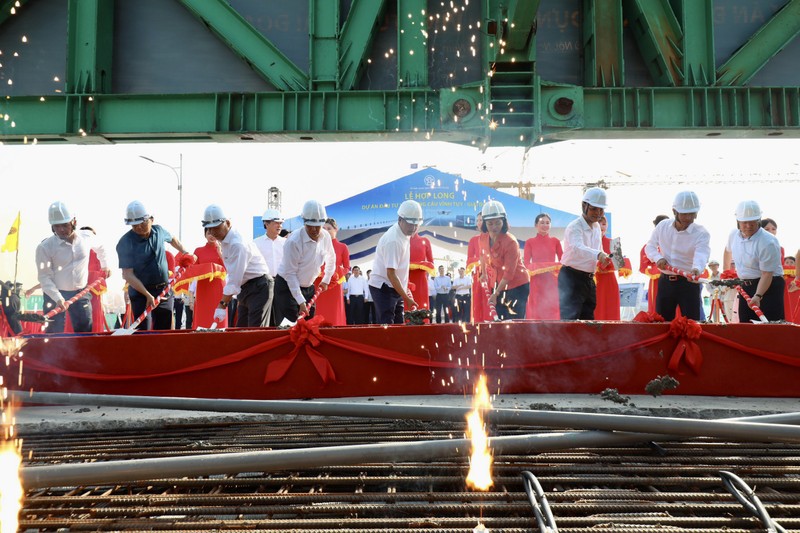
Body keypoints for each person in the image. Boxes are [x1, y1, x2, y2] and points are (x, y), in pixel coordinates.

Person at [35, 201, 109, 333]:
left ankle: (85, 353)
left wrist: (105, 265)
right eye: (57, 226)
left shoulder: (87, 237)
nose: (61, 230)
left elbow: (101, 248)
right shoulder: (44, 248)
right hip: (53, 296)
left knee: (85, 331)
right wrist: (58, 298)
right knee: (53, 335)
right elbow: (44, 278)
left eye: (65, 225)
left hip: (80, 293)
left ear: (74, 222)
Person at [117, 200, 192, 331]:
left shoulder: (159, 231)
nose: (139, 228)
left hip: (163, 290)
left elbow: (173, 239)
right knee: (143, 330)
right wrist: (147, 295)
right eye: (134, 225)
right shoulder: (125, 242)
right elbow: (127, 274)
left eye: (142, 223)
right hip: (140, 293)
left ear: (151, 219)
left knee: (164, 328)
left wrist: (185, 252)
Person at [202, 205, 272, 327]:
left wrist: (222, 305)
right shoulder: (225, 242)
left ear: (227, 223)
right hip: (245, 288)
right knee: (241, 329)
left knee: (255, 331)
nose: (213, 232)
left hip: (259, 286)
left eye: (216, 228)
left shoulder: (237, 244)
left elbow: (234, 280)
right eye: (209, 229)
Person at [644, 191, 710, 321]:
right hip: (665, 283)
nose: (688, 218)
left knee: (691, 325)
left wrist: (697, 269)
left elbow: (701, 254)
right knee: (662, 323)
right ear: (674, 211)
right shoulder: (663, 226)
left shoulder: (701, 233)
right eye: (685, 214)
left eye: (692, 214)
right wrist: (658, 258)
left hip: (689, 284)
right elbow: (650, 247)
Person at [275, 200, 336, 323]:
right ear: (304, 223)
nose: (314, 230)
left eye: (317, 226)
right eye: (310, 226)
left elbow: (331, 258)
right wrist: (300, 300)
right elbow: (290, 274)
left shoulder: (326, 237)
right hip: (287, 287)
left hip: (309, 287)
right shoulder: (294, 241)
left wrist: (326, 280)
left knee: (309, 325)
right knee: (291, 325)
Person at [725, 200, 784, 321]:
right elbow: (727, 250)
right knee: (746, 326)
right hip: (746, 285)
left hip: (769, 286)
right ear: (738, 222)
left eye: (752, 222)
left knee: (770, 327)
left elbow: (767, 274)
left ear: (759, 220)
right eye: (744, 222)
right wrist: (726, 273)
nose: (748, 225)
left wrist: (758, 295)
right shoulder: (733, 235)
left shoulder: (768, 242)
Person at [558, 187, 610, 320]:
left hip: (588, 279)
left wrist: (607, 257)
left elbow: (599, 248)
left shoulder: (597, 227)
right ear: (584, 206)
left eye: (601, 209)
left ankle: (585, 342)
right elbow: (577, 247)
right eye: (594, 208)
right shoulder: (574, 226)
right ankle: (568, 342)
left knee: (588, 318)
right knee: (570, 319)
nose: (598, 213)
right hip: (571, 278)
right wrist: (599, 255)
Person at [368, 200, 421, 324]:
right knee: (387, 325)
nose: (413, 228)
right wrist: (406, 297)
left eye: (416, 225)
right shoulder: (393, 240)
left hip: (395, 286)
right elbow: (391, 274)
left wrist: (405, 288)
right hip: (383, 287)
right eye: (410, 224)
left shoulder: (405, 233)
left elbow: (401, 267)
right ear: (400, 219)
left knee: (399, 323)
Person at [478, 200, 530, 320]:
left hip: (517, 284)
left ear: (504, 221)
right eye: (490, 223)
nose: (494, 227)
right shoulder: (483, 237)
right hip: (498, 283)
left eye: (498, 223)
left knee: (512, 321)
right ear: (484, 223)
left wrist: (496, 293)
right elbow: (482, 254)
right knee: (499, 320)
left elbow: (508, 274)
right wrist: (484, 273)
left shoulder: (510, 242)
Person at [174, 227, 228, 329]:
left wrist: (220, 253)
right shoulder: (198, 251)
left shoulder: (225, 249)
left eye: (214, 232)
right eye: (209, 233)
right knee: (203, 316)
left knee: (219, 317)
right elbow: (193, 269)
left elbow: (228, 269)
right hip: (203, 288)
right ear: (205, 235)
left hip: (219, 288)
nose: (211, 235)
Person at [523, 213, 563, 320]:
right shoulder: (530, 242)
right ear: (536, 225)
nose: (545, 225)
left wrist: (547, 267)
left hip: (552, 281)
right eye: (541, 222)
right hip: (536, 280)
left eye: (547, 223)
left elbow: (563, 261)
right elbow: (526, 264)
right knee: (536, 307)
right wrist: (546, 266)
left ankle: (554, 331)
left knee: (552, 306)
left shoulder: (555, 241)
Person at [314, 218, 350, 326]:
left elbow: (347, 267)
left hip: (335, 283)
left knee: (334, 311)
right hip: (319, 282)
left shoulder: (342, 247)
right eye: (323, 228)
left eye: (329, 228)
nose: (326, 231)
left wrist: (337, 271)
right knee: (319, 310)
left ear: (336, 229)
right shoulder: (316, 246)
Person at [254, 208, 286, 325]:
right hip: (263, 285)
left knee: (281, 319)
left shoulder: (286, 243)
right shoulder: (256, 243)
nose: (279, 226)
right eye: (276, 223)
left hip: (282, 284)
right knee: (264, 319)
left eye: (281, 223)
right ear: (266, 224)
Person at [80, 225, 112, 333]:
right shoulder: (97, 248)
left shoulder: (74, 244)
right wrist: (106, 269)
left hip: (77, 283)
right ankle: (95, 334)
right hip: (93, 283)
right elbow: (104, 270)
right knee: (94, 309)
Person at [639, 214, 669, 314]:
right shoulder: (648, 247)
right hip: (657, 281)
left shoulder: (675, 244)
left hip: (676, 280)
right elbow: (644, 266)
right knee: (658, 308)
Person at [467, 213, 494, 322]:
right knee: (478, 300)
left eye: (481, 220)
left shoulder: (493, 237)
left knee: (491, 300)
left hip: (492, 273)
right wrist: (479, 263)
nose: (479, 222)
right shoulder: (473, 240)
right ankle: (477, 323)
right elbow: (469, 259)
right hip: (478, 274)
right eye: (477, 220)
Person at [594, 215, 621, 320]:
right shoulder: (587, 242)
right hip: (594, 281)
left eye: (604, 224)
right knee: (595, 310)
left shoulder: (613, 242)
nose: (601, 226)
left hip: (610, 281)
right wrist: (599, 265)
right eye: (598, 223)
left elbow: (619, 264)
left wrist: (607, 265)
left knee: (611, 310)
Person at [409, 233, 435, 311]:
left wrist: (422, 265)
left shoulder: (425, 241)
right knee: (407, 305)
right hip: (406, 278)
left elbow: (431, 262)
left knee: (422, 305)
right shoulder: (402, 241)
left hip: (421, 279)